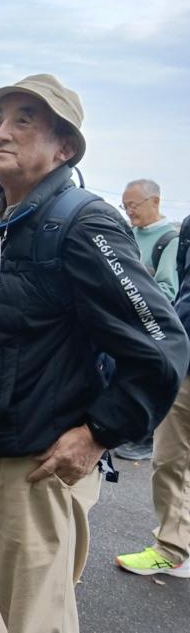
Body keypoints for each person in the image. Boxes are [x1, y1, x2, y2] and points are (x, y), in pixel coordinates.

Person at [0, 74, 189, 633]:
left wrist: (98, 433)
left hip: (31, 466)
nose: (2, 130)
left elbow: (161, 344)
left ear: (63, 147)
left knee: (35, 620)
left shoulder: (83, 222)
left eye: (24, 119)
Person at [115, 215, 190, 578]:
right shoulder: (187, 228)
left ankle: (175, 548)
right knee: (171, 458)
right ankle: (174, 548)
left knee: (173, 458)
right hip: (186, 360)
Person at [113, 179, 180, 460]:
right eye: (125, 205)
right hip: (124, 322)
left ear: (155, 202)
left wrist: (130, 290)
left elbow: (167, 289)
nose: (129, 211)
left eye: (133, 205)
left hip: (148, 326)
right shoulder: (128, 233)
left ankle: (144, 439)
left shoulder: (170, 240)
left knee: (147, 378)